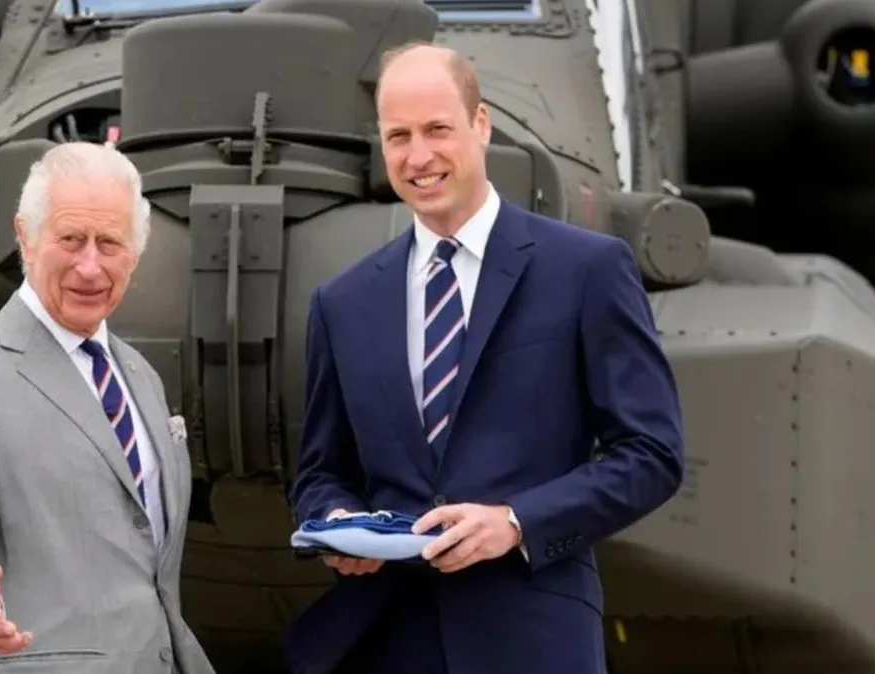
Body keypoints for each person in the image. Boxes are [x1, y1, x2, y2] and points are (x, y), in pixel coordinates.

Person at [286, 42, 686, 674]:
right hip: (387, 641)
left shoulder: (588, 269)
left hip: (535, 641)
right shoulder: (341, 302)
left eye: (437, 129)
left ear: (480, 123)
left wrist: (516, 522)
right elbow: (320, 472)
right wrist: (335, 521)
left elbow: (652, 454)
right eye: (399, 136)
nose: (418, 156)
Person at [0, 142, 215, 674]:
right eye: (71, 239)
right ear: (26, 235)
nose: (90, 266)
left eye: (110, 243)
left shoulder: (138, 376)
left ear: (137, 250)